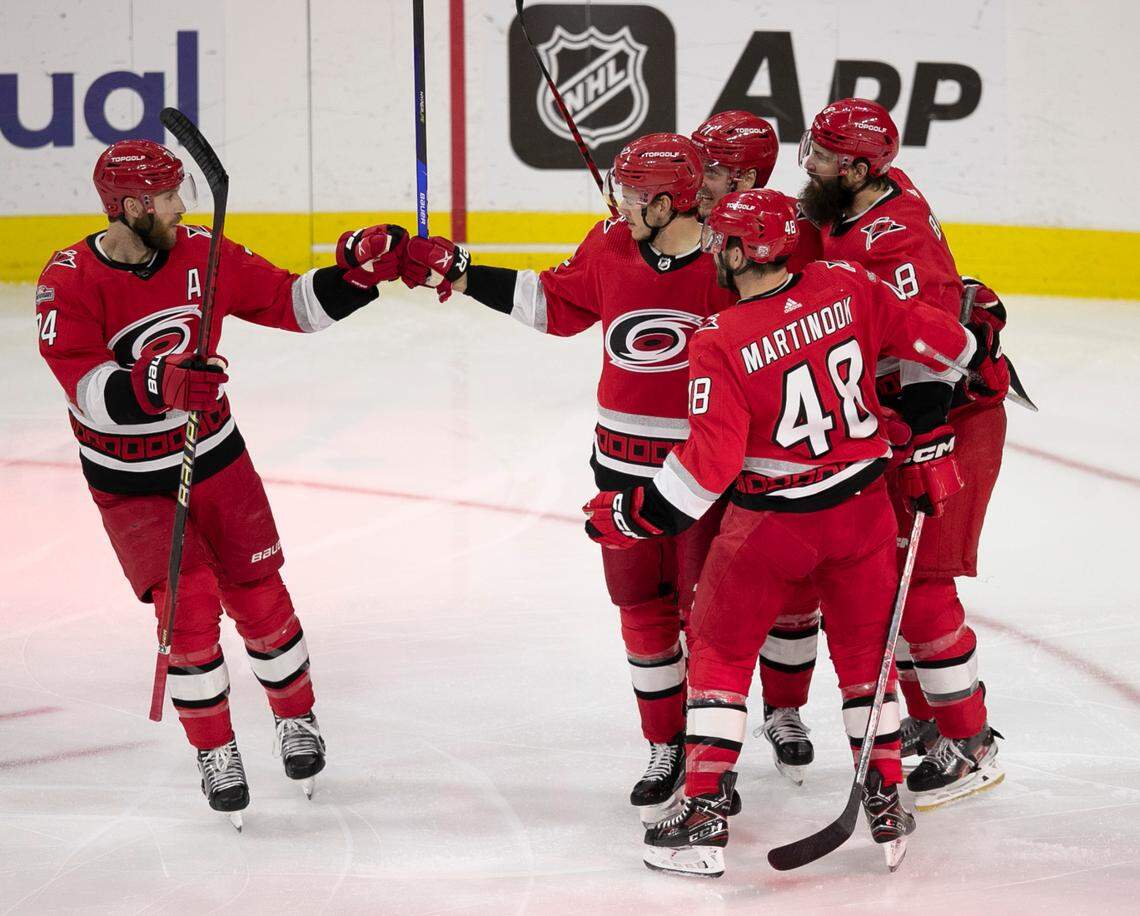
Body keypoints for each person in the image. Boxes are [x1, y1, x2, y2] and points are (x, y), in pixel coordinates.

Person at [582, 189, 1004, 877]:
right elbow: (940, 337)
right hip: (863, 511)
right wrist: (978, 343)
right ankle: (888, 799)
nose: (713, 252)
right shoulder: (846, 285)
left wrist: (628, 515)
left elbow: (705, 471)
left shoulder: (718, 340)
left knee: (718, 657)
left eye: (722, 241)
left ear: (746, 250)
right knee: (868, 660)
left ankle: (704, 815)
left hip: (772, 525)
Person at [34, 138, 405, 826]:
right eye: (169, 197)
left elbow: (291, 303)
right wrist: (160, 382)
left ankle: (297, 719)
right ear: (129, 206)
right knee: (190, 607)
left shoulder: (203, 252)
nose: (181, 208)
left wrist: (355, 278)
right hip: (130, 481)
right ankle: (216, 749)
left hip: (216, 456)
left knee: (258, 593)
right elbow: (86, 386)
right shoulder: (68, 280)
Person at [397, 133, 737, 823]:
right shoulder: (611, 245)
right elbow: (553, 304)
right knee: (642, 617)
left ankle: (710, 766)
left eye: (637, 194)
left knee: (710, 626)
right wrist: (464, 273)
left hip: (699, 477)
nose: (621, 202)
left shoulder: (727, 262)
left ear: (669, 200)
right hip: (618, 467)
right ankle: (664, 745)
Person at [798, 98, 1008, 809]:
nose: (811, 163)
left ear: (857, 167)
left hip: (952, 415)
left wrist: (926, 434)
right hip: (896, 419)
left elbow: (934, 344)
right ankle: (927, 719)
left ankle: (972, 744)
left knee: (921, 586)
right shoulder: (855, 201)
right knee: (892, 582)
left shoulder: (897, 236)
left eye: (824, 155)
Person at [690, 109, 824, 783]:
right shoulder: (696, 224)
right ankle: (704, 743)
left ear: (743, 175)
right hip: (701, 440)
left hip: (775, 450)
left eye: (709, 167)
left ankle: (786, 709)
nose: (696, 178)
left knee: (794, 599)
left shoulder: (790, 236)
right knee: (704, 603)